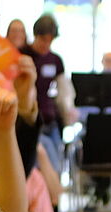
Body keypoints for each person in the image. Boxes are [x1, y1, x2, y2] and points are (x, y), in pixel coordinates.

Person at [21, 12, 75, 168]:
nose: (46, 44)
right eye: (43, 39)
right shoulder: (23, 55)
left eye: (50, 41)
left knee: (56, 164)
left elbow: (64, 91)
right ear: (36, 35)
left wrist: (68, 109)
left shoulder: (55, 60)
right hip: (29, 119)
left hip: (49, 119)